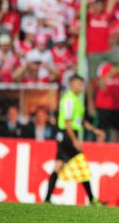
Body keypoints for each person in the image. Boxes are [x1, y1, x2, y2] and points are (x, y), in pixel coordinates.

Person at [45, 75, 105, 205]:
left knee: (60, 165)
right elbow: (67, 123)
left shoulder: (77, 100)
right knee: (80, 166)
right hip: (66, 135)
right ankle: (92, 199)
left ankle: (47, 199)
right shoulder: (68, 100)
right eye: (78, 84)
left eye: (81, 84)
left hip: (68, 135)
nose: (80, 87)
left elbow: (80, 121)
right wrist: (74, 141)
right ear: (71, 84)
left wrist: (95, 131)